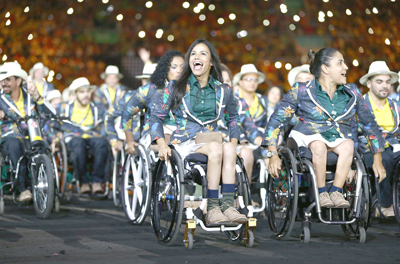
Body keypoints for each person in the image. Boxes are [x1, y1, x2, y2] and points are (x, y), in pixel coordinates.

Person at [265, 48, 387, 208]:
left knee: (348, 145)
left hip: (336, 138)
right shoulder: (301, 90)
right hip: (306, 136)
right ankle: (321, 193)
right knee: (318, 144)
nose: (346, 68)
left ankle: (335, 191)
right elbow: (276, 121)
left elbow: (369, 125)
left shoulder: (352, 92)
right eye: (340, 63)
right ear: (325, 68)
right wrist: (273, 153)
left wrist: (377, 159)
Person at [150, 39, 247, 224]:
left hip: (213, 141)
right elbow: (155, 117)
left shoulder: (223, 90)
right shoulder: (175, 86)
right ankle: (212, 208)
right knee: (218, 148)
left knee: (227, 149)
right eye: (193, 53)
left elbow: (234, 118)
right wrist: (162, 143)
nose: (196, 56)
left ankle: (228, 206)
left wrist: (234, 144)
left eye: (203, 53)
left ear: (211, 62)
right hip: (186, 143)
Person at [0, 62, 56, 202]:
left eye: (8, 79)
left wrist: (37, 96)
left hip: (33, 134)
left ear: (18, 80)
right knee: (15, 145)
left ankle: (48, 189)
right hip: (10, 136)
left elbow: (51, 113)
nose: (3, 83)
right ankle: (23, 189)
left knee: (42, 148)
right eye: (2, 80)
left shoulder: (30, 95)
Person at [109, 50, 184, 155]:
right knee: (171, 145)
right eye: (174, 67)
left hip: (181, 132)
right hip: (153, 135)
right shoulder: (150, 89)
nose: (179, 71)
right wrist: (130, 140)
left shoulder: (189, 89)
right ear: (165, 70)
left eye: (183, 67)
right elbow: (127, 112)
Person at [358, 61, 400, 217]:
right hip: (368, 149)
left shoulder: (395, 106)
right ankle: (385, 205)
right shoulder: (360, 105)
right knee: (386, 159)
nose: (385, 86)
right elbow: (353, 132)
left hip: (394, 146)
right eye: (379, 81)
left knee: (390, 156)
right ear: (369, 83)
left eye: (388, 82)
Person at [56, 77, 110, 195]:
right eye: (82, 92)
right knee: (78, 143)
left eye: (87, 91)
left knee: (102, 143)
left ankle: (97, 181)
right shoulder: (64, 108)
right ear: (75, 93)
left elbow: (103, 127)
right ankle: (83, 182)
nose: (86, 95)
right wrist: (55, 138)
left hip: (92, 137)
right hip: (74, 139)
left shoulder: (97, 109)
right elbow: (53, 124)